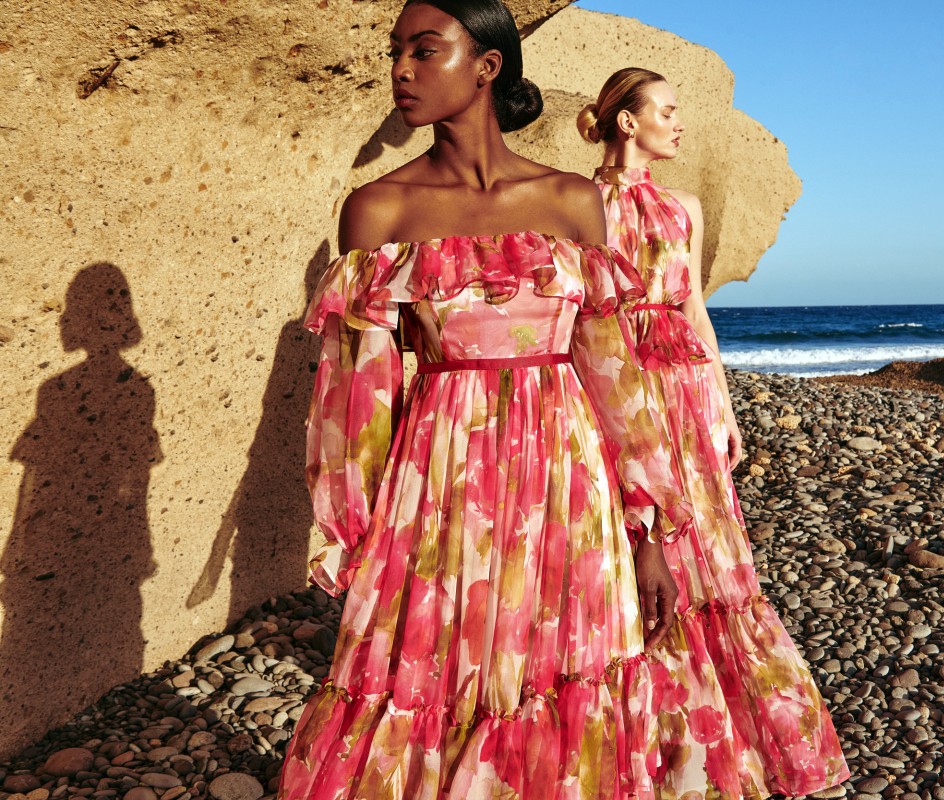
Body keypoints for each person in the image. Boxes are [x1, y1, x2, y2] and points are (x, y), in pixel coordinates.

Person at [275, 6, 693, 799]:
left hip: (571, 487)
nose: (400, 69)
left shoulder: (571, 201)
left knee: (567, 681)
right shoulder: (379, 210)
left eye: (424, 50)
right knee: (425, 685)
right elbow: (352, 402)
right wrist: (353, 530)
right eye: (395, 51)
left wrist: (649, 529)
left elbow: (614, 377)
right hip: (438, 486)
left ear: (488, 66)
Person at [579, 68, 851, 797]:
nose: (679, 123)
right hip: (616, 387)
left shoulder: (686, 208)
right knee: (630, 536)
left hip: (687, 388)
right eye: (665, 111)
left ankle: (734, 735)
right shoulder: (572, 205)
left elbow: (696, 311)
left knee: (711, 550)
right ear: (626, 122)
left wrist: (723, 405)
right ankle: (655, 731)